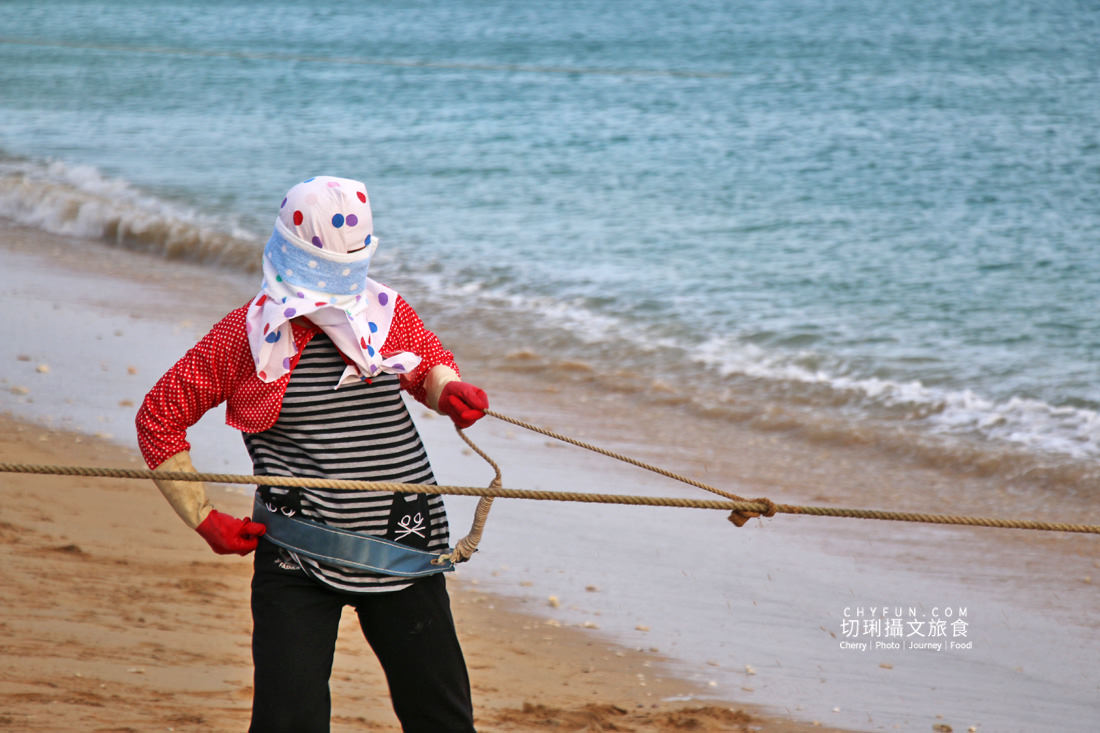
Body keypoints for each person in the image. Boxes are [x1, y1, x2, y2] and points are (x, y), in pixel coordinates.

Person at [135, 175, 487, 732]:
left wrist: (449, 393)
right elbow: (158, 417)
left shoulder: (387, 311)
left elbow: (426, 366)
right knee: (286, 723)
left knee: (441, 720)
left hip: (404, 542)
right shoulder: (241, 338)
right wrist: (203, 518)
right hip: (295, 554)